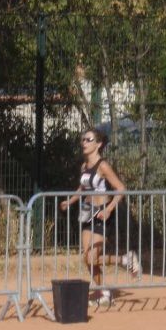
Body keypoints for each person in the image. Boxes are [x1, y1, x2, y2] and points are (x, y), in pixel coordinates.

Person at [60, 128, 141, 306]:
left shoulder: (103, 166)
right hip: (87, 213)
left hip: (102, 213)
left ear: (98, 144)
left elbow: (121, 189)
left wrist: (110, 208)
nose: (84, 143)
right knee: (87, 258)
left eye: (88, 140)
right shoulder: (84, 166)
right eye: (82, 140)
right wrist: (70, 201)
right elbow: (82, 188)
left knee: (92, 257)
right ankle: (105, 292)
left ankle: (125, 259)